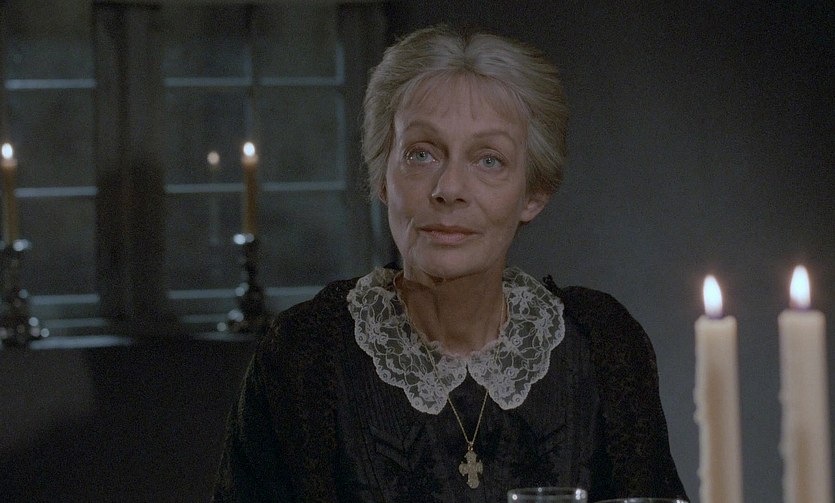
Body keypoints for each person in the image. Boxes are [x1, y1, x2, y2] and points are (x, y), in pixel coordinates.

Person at [213, 24, 688, 503]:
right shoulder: (304, 355)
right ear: (383, 179)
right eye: (421, 154)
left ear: (534, 194)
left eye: (489, 160)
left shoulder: (602, 346)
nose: (449, 189)